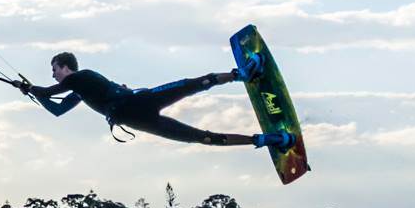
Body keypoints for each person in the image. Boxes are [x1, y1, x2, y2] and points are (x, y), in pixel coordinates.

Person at [17, 51, 293, 150]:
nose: (52, 74)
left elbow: (47, 93)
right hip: (136, 116)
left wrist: (29, 88)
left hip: (137, 107)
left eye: (54, 68)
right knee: (201, 137)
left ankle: (242, 74)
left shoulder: (80, 78)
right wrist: (31, 91)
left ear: (65, 66)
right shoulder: (79, 91)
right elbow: (56, 109)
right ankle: (265, 140)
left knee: (190, 86)